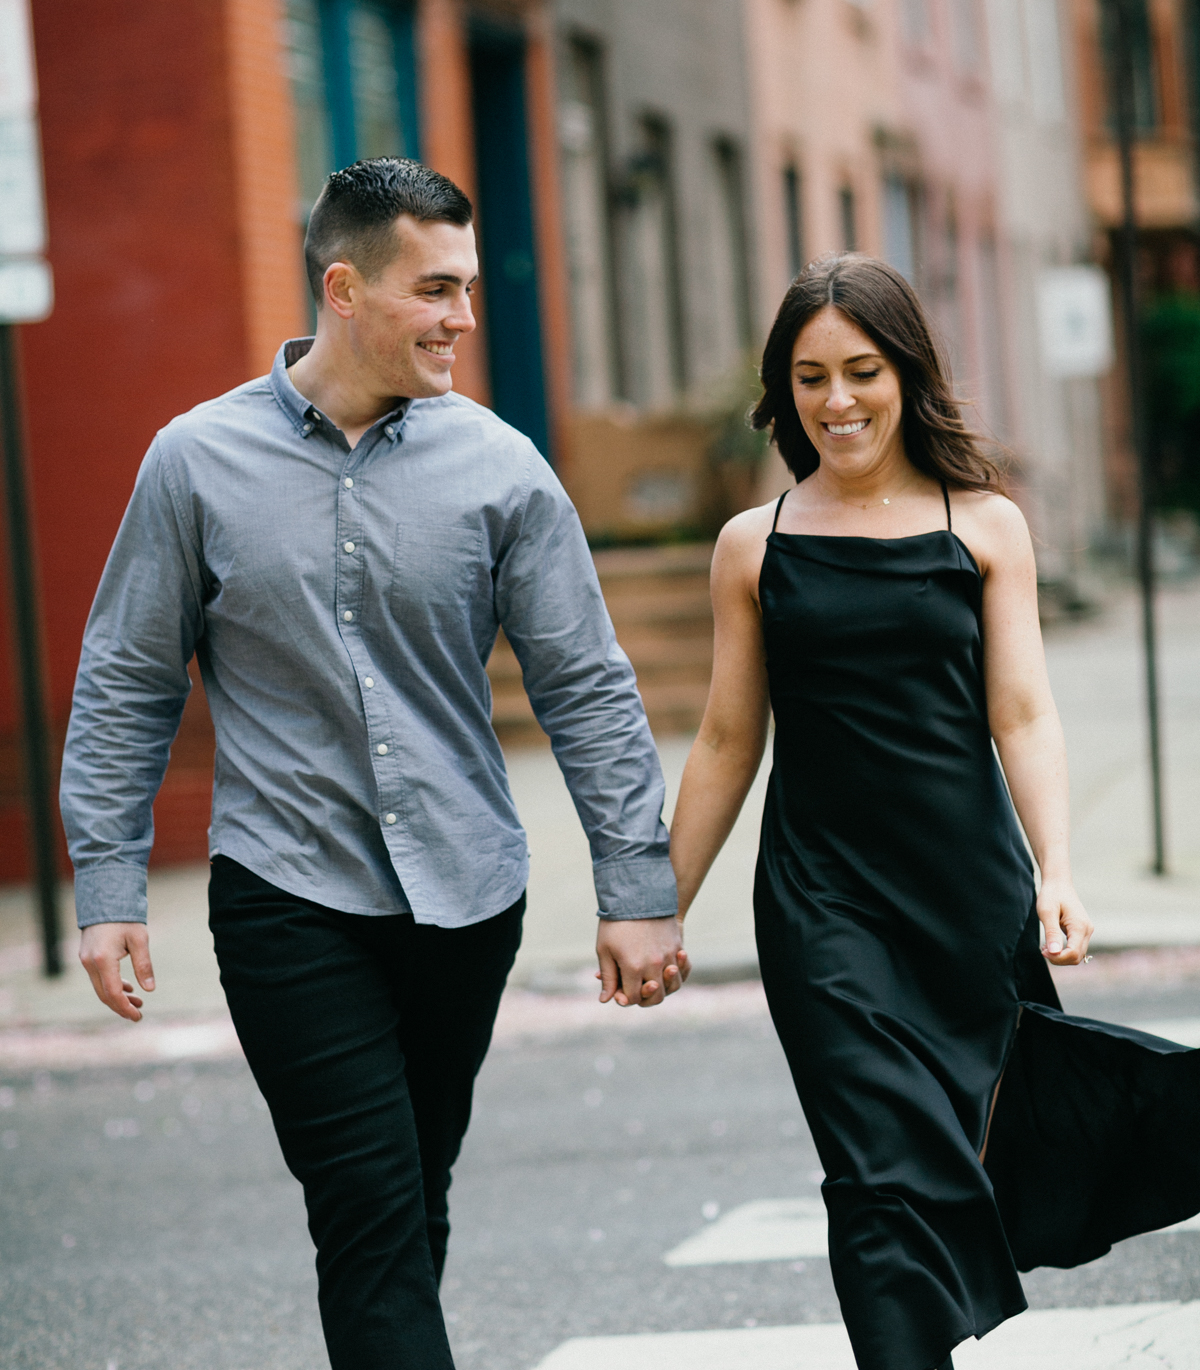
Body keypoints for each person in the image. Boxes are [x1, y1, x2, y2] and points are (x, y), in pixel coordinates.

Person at [60, 157, 686, 1370]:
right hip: (288, 896)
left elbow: (589, 686)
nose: (463, 315)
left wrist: (637, 885)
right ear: (344, 290)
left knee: (407, 1192)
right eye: (435, 289)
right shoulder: (194, 463)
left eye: (464, 286)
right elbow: (128, 678)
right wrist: (107, 889)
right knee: (368, 1203)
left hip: (466, 893)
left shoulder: (502, 470)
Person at [668, 254, 1200, 1370]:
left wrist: (1056, 869)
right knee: (872, 1175)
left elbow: (1023, 714)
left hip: (967, 899)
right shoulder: (751, 546)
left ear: (906, 373)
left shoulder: (986, 526)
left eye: (861, 370)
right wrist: (653, 906)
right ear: (786, 389)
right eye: (810, 377)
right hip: (823, 906)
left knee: (960, 1153)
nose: (837, 401)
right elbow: (726, 740)